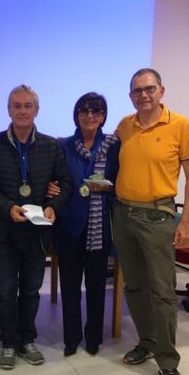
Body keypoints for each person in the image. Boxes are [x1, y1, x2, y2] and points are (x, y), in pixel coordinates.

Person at [113, 68, 189, 375]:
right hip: (123, 215)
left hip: (158, 217)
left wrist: (185, 220)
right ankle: (147, 342)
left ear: (161, 91)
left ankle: (168, 362)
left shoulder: (180, 125)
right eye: (137, 91)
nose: (143, 95)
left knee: (163, 292)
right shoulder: (125, 126)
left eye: (149, 89)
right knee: (135, 287)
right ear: (130, 96)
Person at [0, 84, 71, 370]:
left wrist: (55, 206)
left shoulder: (51, 146)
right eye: (17, 106)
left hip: (37, 233)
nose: (22, 111)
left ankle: (27, 340)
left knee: (30, 291)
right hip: (3, 231)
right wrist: (6, 207)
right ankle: (8, 343)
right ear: (8, 110)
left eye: (28, 106)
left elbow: (65, 183)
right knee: (5, 292)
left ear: (36, 110)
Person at [54, 92, 119, 357]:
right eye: (84, 110)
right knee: (70, 287)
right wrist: (51, 187)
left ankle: (93, 338)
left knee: (96, 286)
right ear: (76, 115)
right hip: (69, 226)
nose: (90, 116)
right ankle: (71, 339)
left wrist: (108, 188)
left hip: (98, 226)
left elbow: (121, 181)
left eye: (96, 111)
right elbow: (56, 178)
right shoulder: (64, 146)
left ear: (103, 116)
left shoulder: (114, 146)